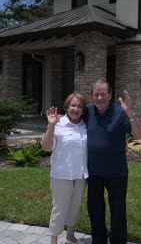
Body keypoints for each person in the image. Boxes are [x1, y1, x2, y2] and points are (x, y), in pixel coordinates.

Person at [85, 80, 141, 244]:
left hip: (116, 172)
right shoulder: (88, 112)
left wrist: (130, 113)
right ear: (92, 96)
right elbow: (72, 119)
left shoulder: (120, 113)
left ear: (110, 95)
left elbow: (139, 136)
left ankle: (118, 240)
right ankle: (99, 239)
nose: (99, 97)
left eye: (103, 94)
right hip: (93, 171)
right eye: (96, 94)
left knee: (118, 210)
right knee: (95, 209)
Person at [42, 93, 89, 244]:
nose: (76, 109)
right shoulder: (58, 124)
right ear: (67, 107)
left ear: (83, 110)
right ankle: (54, 239)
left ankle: (70, 234)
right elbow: (46, 147)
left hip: (81, 174)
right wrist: (51, 125)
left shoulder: (84, 125)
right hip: (61, 174)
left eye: (79, 106)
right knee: (60, 208)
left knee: (75, 206)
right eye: (73, 105)